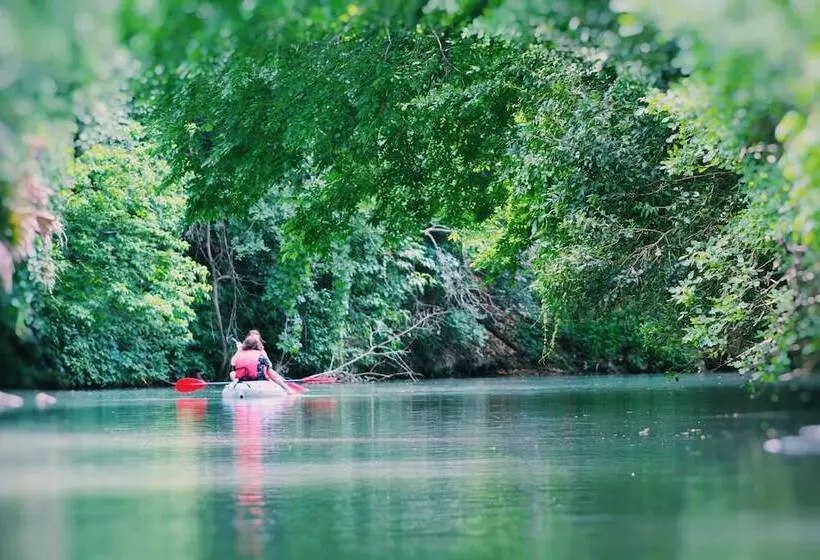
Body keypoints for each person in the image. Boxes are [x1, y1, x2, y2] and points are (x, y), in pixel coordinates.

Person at [230, 330, 295, 395]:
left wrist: (239, 350)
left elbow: (233, 363)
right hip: (257, 377)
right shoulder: (256, 354)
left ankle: (237, 385)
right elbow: (269, 367)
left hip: (244, 377)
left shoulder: (241, 353)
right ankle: (287, 389)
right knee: (270, 372)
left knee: (232, 373)